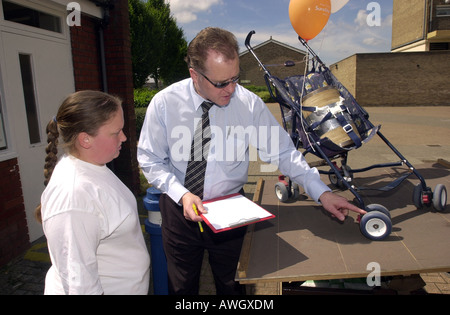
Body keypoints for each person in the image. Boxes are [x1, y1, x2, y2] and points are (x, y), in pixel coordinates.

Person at [137, 27, 365, 295]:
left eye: (235, 78)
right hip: (179, 211)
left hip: (231, 212)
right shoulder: (164, 103)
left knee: (233, 286)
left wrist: (322, 193)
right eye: (221, 83)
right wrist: (182, 194)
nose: (231, 89)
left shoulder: (249, 105)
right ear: (194, 75)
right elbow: (150, 159)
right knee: (181, 287)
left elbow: (283, 153)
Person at [36, 90, 150, 295]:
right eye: (116, 132)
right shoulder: (75, 195)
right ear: (85, 140)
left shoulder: (94, 166)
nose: (124, 137)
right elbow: (80, 285)